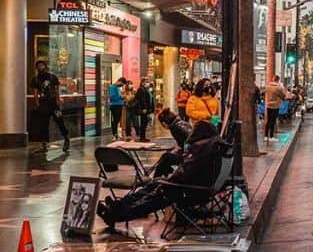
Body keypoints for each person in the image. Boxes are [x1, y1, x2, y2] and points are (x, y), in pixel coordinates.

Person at [96, 121, 224, 226]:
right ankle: (118, 206)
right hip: (196, 188)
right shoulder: (213, 146)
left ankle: (116, 215)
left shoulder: (201, 149)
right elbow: (188, 172)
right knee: (153, 186)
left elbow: (184, 173)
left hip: (187, 191)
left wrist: (168, 180)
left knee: (152, 197)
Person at [30, 60, 70, 153]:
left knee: (60, 121)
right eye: (38, 66)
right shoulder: (35, 79)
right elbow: (35, 93)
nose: (40, 67)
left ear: (45, 66)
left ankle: (66, 138)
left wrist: (57, 101)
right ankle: (44, 143)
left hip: (53, 104)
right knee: (43, 124)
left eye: (42, 65)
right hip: (43, 104)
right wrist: (37, 103)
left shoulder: (52, 77)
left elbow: (57, 90)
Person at [151, 109, 194, 178]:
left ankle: (155, 180)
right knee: (166, 157)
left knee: (166, 157)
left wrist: (182, 151)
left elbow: (188, 142)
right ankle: (165, 175)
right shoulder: (182, 123)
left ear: (164, 123)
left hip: (189, 158)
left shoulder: (175, 128)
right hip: (192, 155)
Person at [263, 76, 293, 142]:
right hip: (275, 106)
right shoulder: (278, 88)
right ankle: (271, 136)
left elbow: (264, 93)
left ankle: (265, 136)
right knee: (273, 121)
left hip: (268, 105)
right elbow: (283, 96)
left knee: (268, 120)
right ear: (277, 80)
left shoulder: (267, 87)